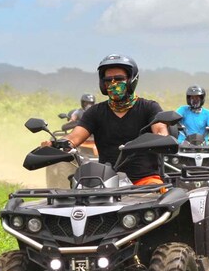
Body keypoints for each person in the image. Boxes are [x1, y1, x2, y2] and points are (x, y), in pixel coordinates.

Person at [44, 54, 168, 185]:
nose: (113, 83)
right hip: (106, 182)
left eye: (119, 79)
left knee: (156, 194)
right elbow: (75, 137)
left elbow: (160, 131)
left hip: (145, 181)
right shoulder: (95, 112)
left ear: (131, 80)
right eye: (109, 80)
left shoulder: (149, 108)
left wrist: (162, 139)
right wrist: (56, 145)